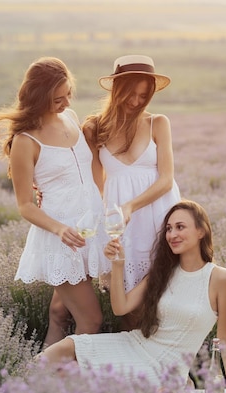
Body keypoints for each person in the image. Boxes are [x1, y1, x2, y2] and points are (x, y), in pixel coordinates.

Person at [0, 57, 109, 347]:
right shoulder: (26, 141)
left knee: (59, 313)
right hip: (63, 240)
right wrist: (59, 229)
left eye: (69, 94)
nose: (67, 103)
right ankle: (67, 383)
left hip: (90, 230)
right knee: (91, 320)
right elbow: (25, 205)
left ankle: (39, 379)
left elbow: (83, 172)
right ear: (40, 96)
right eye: (58, 98)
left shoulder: (70, 119)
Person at [39, 200, 226, 392]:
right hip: (134, 344)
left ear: (201, 231)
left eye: (180, 227)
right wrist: (118, 265)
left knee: (78, 384)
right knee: (65, 348)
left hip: (163, 369)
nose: (172, 234)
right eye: (169, 229)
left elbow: (225, 339)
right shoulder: (162, 272)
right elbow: (120, 308)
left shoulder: (220, 279)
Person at [83, 55, 181, 329]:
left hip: (159, 214)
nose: (137, 101)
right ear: (117, 90)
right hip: (119, 224)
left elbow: (166, 179)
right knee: (127, 307)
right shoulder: (94, 128)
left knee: (166, 299)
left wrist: (131, 206)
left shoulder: (158, 123)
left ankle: (171, 365)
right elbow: (92, 183)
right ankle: (135, 364)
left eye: (143, 95)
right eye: (131, 94)